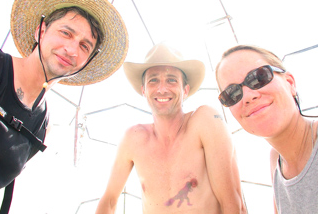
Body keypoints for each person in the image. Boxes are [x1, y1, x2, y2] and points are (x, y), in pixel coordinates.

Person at [0, 0, 128, 213]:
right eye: (66, 33)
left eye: (84, 46)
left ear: (87, 61)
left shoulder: (41, 126)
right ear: (41, 30)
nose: (71, 49)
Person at [96, 43, 246, 214]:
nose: (162, 89)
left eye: (171, 80)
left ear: (186, 90)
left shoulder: (205, 120)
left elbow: (233, 204)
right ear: (144, 90)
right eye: (153, 80)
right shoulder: (134, 138)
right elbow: (108, 201)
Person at [215, 45, 318, 214]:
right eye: (232, 94)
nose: (248, 96)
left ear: (290, 83)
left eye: (258, 78)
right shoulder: (276, 160)